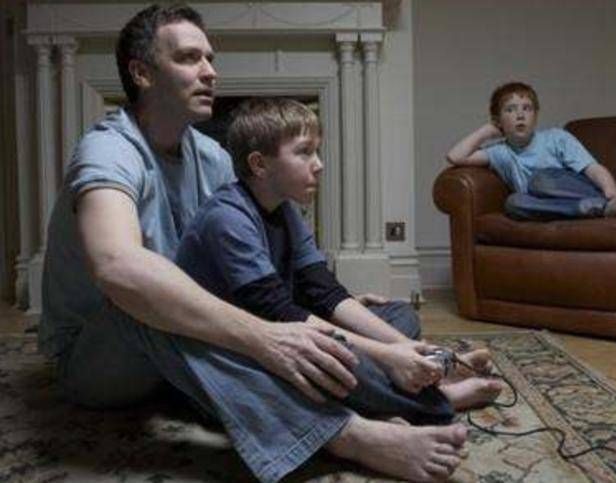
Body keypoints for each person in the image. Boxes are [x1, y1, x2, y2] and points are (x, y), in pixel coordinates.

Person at [40, 4, 477, 482]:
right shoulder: (110, 151)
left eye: (210, 58)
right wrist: (264, 337)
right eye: (188, 58)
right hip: (100, 355)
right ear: (142, 73)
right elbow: (117, 266)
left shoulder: (210, 156)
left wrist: (343, 320)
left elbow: (259, 272)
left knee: (382, 316)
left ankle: (403, 386)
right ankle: (350, 434)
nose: (210, 71)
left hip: (182, 348)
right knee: (154, 298)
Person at [175, 97, 502, 420]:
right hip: (234, 355)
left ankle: (422, 369)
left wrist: (408, 348)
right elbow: (280, 315)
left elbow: (325, 292)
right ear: (260, 164)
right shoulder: (227, 219)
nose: (319, 164)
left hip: (283, 328)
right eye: (304, 152)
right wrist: (387, 355)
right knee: (338, 354)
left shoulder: (285, 210)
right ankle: (439, 399)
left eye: (317, 151)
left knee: (399, 314)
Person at [446, 81, 616, 221]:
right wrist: (486, 131)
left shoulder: (556, 138)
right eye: (510, 110)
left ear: (535, 116)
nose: (520, 115)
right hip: (554, 207)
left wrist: (612, 194)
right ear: (498, 120)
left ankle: (604, 204)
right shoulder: (500, 152)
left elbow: (593, 169)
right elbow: (455, 156)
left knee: (539, 180)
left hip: (579, 191)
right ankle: (600, 209)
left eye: (527, 109)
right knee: (514, 202)